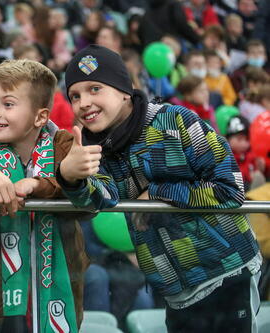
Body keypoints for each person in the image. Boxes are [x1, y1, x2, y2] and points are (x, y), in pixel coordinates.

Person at [60, 45, 261, 332]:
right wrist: (71, 177)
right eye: (75, 96)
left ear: (124, 89)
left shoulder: (176, 121)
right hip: (174, 292)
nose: (83, 102)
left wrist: (159, 193)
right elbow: (99, 199)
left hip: (226, 272)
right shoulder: (94, 148)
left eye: (95, 89)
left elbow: (229, 189)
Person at [0, 59, 89, 332]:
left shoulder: (64, 146)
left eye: (8, 104)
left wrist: (43, 185)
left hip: (59, 284)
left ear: (40, 117)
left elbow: (88, 204)